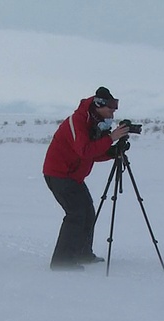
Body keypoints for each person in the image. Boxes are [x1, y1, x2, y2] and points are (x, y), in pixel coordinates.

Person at [43, 87, 130, 271]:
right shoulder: (78, 121)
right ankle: (61, 261)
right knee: (76, 215)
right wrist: (112, 138)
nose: (113, 112)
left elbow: (92, 153)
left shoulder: (95, 121)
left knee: (88, 213)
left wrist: (113, 152)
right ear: (99, 105)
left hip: (73, 176)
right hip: (59, 174)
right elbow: (84, 150)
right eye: (111, 108)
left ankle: (83, 253)